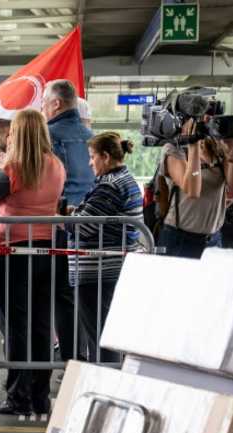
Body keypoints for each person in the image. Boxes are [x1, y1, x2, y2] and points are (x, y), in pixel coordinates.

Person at [0, 108, 66, 418]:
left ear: (19, 134)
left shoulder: (14, 169)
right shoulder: (56, 165)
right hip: (50, 248)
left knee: (14, 325)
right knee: (42, 324)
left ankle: (18, 394)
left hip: (12, 250)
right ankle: (40, 396)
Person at [67, 132, 145, 362]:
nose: (90, 162)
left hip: (98, 273)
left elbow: (83, 227)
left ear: (106, 156)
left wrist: (63, 218)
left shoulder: (110, 186)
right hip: (111, 270)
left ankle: (106, 381)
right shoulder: (124, 180)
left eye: (92, 157)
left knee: (100, 336)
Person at [43, 79, 93, 364]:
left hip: (59, 224)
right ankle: (85, 356)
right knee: (84, 293)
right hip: (90, 225)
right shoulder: (90, 136)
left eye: (44, 103)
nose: (42, 109)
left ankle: (70, 359)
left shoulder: (48, 137)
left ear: (57, 104)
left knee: (62, 295)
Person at [159, 92, 233, 259]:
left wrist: (232, 155)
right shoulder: (173, 149)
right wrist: (193, 147)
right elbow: (193, 190)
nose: (203, 121)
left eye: (205, 116)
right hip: (180, 239)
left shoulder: (217, 147)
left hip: (213, 239)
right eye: (197, 118)